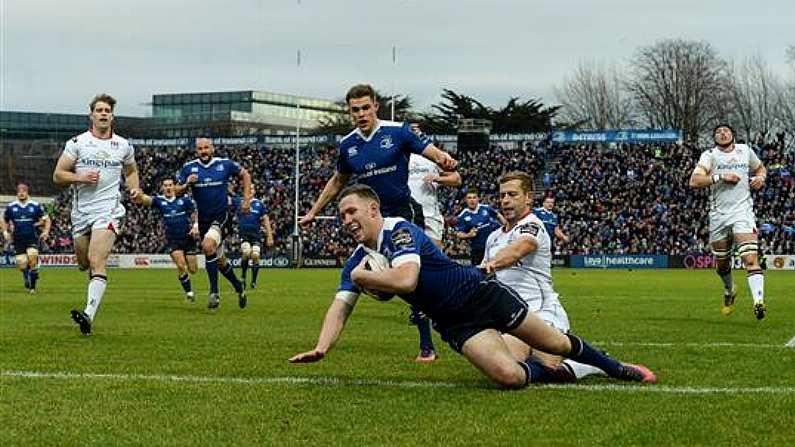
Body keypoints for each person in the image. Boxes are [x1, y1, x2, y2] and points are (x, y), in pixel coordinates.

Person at [289, 184, 656, 389]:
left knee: (557, 342)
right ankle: (563, 371)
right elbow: (340, 307)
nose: (347, 220)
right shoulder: (358, 259)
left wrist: (363, 277)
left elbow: (405, 280)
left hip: (479, 293)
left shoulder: (400, 230)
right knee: (510, 377)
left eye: (353, 211)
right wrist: (321, 347)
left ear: (373, 210)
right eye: (342, 216)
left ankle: (614, 367)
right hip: (454, 322)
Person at [299, 84, 458, 364]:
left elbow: (430, 150)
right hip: (373, 223)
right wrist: (313, 211)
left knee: (419, 278)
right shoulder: (348, 144)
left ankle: (429, 343)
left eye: (365, 107)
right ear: (349, 112)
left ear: (375, 106)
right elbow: (338, 180)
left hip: (405, 217)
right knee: (380, 279)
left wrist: (443, 158)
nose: (360, 113)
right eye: (354, 109)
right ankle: (423, 328)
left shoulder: (398, 131)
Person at [481, 171, 604, 380]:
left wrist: (491, 264)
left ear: (528, 197)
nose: (505, 201)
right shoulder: (493, 237)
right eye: (502, 196)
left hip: (543, 312)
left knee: (551, 367)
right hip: (514, 318)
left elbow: (520, 248)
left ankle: (595, 363)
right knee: (507, 368)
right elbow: (485, 280)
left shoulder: (533, 225)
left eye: (512, 194)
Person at [52, 93, 142, 335]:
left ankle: (88, 315)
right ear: (91, 114)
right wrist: (80, 177)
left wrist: (135, 188)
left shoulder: (123, 145)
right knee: (83, 263)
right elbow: (58, 174)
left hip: (109, 209)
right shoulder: (77, 143)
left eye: (107, 110)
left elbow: (131, 170)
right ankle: (91, 299)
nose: (103, 113)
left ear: (112, 116)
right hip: (81, 212)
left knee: (96, 259)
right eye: (99, 110)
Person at [689, 124, 769, 319]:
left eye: (726, 131)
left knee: (750, 259)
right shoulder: (710, 155)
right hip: (719, 216)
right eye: (718, 132)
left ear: (733, 135)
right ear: (714, 137)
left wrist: (761, 177)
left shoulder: (745, 150)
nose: (722, 133)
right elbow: (694, 181)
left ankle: (758, 302)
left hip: (743, 212)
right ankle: (730, 289)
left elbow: (760, 168)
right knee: (722, 265)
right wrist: (720, 176)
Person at [175, 138, 250, 309]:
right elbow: (177, 192)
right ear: (196, 151)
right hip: (203, 220)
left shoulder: (224, 164)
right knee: (220, 261)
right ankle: (239, 286)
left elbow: (245, 174)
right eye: (200, 148)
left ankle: (214, 293)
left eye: (206, 147)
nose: (203, 151)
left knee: (207, 246)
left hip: (221, 216)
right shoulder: (189, 168)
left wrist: (246, 199)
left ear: (212, 148)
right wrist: (187, 184)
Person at [136, 177, 200, 301]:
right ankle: (189, 292)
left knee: (193, 270)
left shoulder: (184, 199)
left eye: (170, 185)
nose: (168, 187)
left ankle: (185, 279)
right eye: (165, 185)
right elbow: (145, 199)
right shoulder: (160, 201)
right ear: (162, 188)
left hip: (188, 237)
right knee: (181, 266)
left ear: (175, 186)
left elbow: (194, 213)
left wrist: (196, 226)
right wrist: (137, 193)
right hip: (172, 239)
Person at [1, 182, 51, 293]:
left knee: (32, 257)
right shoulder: (11, 207)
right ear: (17, 193)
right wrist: (5, 232)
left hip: (32, 237)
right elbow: (4, 220)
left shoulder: (35, 205)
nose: (21, 193)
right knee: (22, 263)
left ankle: (32, 288)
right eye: (19, 191)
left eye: (23, 191)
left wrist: (46, 232)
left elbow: (46, 219)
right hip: (18, 239)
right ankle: (27, 276)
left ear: (27, 192)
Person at [407, 151, 461, 248]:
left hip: (430, 215)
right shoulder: (400, 156)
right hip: (407, 213)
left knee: (434, 255)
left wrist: (437, 178)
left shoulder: (433, 156)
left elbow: (457, 179)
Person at [230, 191, 274, 289]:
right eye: (248, 188)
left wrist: (269, 236)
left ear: (254, 191)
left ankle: (253, 281)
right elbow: (229, 198)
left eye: (252, 188)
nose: (250, 190)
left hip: (256, 235)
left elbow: (266, 220)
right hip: (244, 234)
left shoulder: (259, 204)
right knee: (246, 253)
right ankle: (243, 277)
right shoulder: (239, 201)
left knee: (255, 255)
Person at [454, 188, 505, 266]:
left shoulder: (486, 208)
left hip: (494, 245)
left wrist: (507, 226)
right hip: (478, 249)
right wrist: (468, 235)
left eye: (474, 197)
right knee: (479, 272)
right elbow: (458, 233)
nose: (472, 200)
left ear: (478, 199)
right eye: (469, 198)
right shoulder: (462, 216)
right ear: (465, 200)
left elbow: (498, 215)